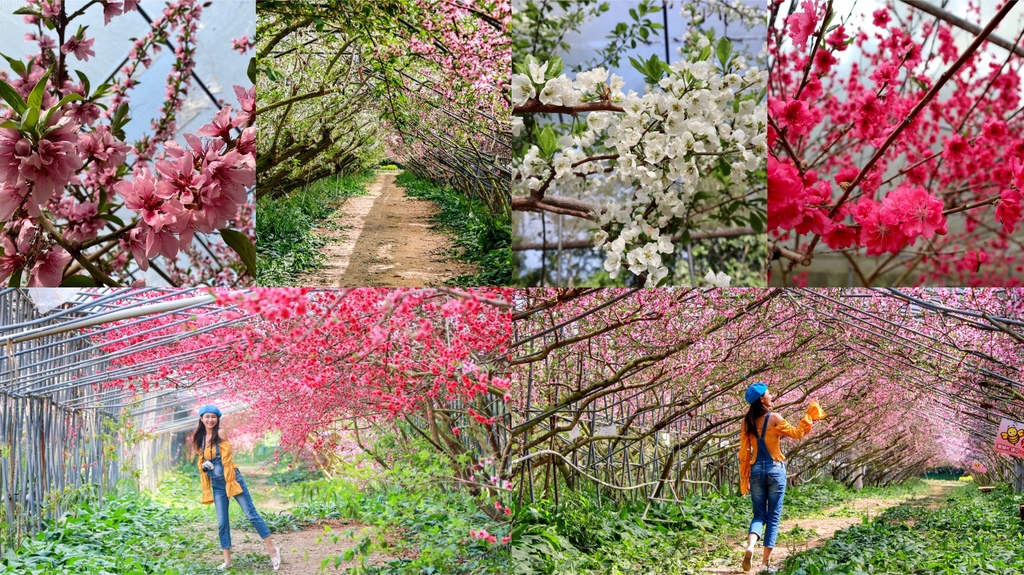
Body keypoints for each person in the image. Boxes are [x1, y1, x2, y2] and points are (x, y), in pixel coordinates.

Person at [737, 383, 826, 574]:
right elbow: (797, 433)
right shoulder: (774, 418)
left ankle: (751, 545)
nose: (772, 396)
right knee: (773, 516)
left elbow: (745, 450)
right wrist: (810, 413)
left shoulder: (746, 422)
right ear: (761, 399)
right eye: (769, 394)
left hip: (756, 470)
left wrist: (746, 473)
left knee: (759, 515)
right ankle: (764, 564)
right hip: (775, 470)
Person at [194, 404, 282, 571]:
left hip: (232, 480)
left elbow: (226, 458)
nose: (210, 420)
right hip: (217, 484)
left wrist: (215, 463)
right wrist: (206, 464)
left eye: (213, 417)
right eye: (207, 417)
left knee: (251, 514)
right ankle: (227, 561)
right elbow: (203, 460)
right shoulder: (201, 438)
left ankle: (272, 550)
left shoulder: (220, 433)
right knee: (222, 522)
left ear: (217, 419)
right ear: (201, 418)